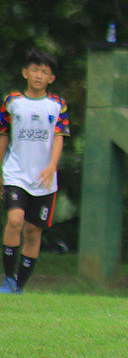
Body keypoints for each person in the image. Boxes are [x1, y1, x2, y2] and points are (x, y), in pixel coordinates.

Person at [0, 50, 70, 295]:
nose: (39, 75)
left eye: (44, 72)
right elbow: (4, 135)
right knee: (15, 220)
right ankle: (8, 279)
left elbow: (59, 137)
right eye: (35, 70)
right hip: (15, 173)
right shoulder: (12, 101)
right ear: (25, 73)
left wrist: (51, 166)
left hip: (43, 179)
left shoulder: (58, 105)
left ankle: (20, 285)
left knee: (32, 230)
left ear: (51, 78)